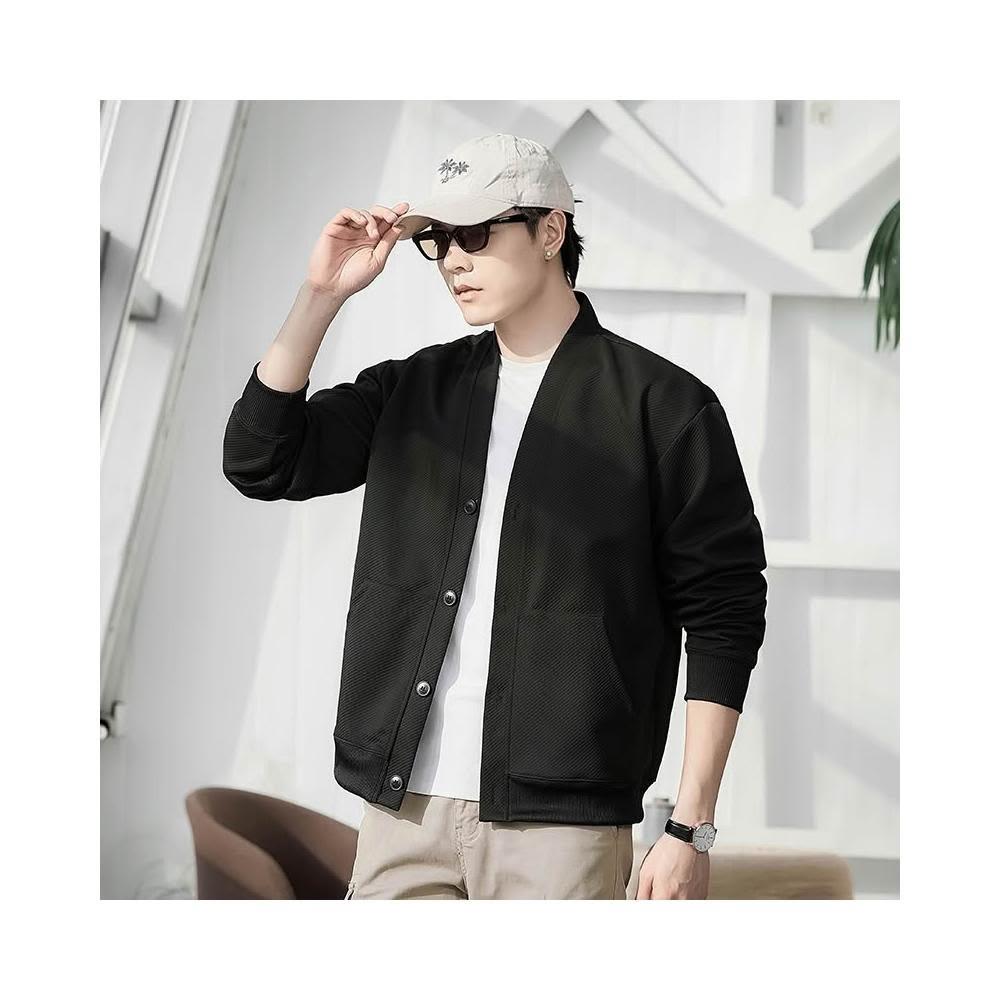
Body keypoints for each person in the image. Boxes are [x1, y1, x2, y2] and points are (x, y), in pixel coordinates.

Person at [222, 133, 767, 899]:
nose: (453, 260)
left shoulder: (664, 407)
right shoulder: (414, 391)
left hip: (562, 830)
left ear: (551, 231)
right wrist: (322, 295)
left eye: (475, 235)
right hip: (403, 812)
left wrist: (690, 826)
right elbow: (260, 460)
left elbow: (724, 612)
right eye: (439, 241)